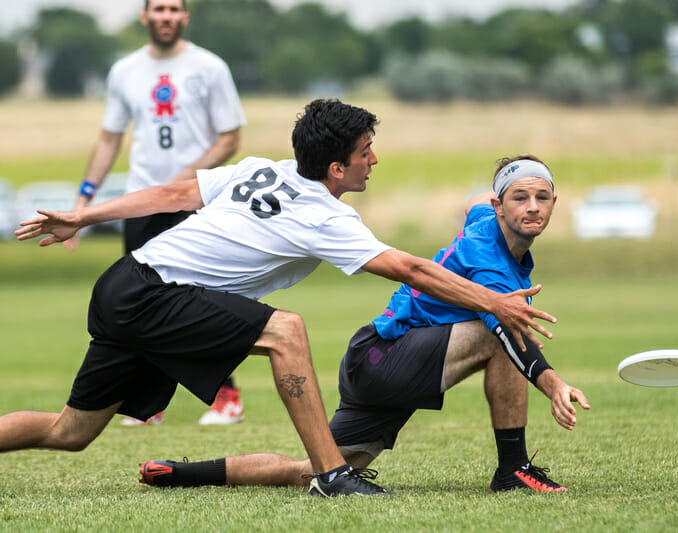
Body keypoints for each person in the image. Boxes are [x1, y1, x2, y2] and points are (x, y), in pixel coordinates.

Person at [8, 99, 554, 498]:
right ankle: (332, 476)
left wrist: (85, 213)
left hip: (125, 284)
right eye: (367, 153)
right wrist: (494, 302)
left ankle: (328, 472)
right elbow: (409, 268)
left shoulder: (262, 168)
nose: (374, 161)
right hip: (155, 294)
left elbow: (174, 194)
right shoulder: (325, 216)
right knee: (285, 330)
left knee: (70, 432)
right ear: (337, 167)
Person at [137, 155, 590, 494]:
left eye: (542, 197)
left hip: (380, 359)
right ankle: (512, 469)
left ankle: (180, 473)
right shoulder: (488, 262)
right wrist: (552, 384)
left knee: (315, 470)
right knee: (504, 332)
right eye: (520, 197)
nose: (532, 207)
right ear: (499, 205)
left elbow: (474, 201)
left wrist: (503, 182)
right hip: (387, 356)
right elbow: (504, 329)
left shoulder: (481, 217)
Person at [71, 0, 248, 425]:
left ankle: (228, 398)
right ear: (145, 17)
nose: (166, 15)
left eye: (174, 8)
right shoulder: (124, 71)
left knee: (201, 302)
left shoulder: (209, 67)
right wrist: (83, 200)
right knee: (140, 303)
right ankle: (149, 405)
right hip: (140, 202)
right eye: (159, 8)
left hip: (194, 202)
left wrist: (183, 182)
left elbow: (230, 138)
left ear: (184, 17)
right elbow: (110, 139)